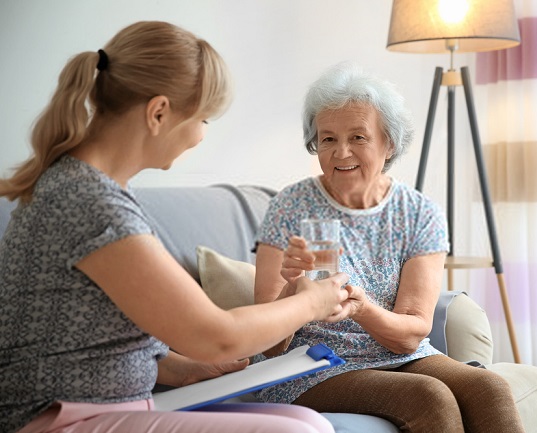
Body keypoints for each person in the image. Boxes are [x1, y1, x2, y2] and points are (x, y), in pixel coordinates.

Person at [0, 21, 352, 433]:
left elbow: (90, 338)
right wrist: (312, 303)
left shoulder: (90, 188)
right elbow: (217, 335)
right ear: (159, 112)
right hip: (52, 421)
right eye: (203, 119)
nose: (201, 136)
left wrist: (182, 370)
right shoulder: (90, 202)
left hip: (107, 407)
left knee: (304, 421)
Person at [253, 62, 526, 433]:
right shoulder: (290, 207)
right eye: (328, 138)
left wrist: (361, 308)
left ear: (389, 144)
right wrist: (292, 287)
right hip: (312, 363)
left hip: (401, 353)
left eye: (358, 138)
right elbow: (268, 347)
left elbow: (412, 332)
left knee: (489, 388)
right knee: (429, 396)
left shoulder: (419, 213)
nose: (341, 152)